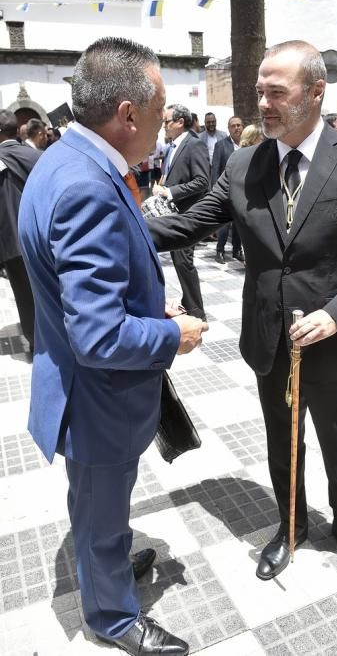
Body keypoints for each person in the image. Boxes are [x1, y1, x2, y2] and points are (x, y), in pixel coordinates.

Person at [146, 40, 337, 586]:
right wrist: (113, 218)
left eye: (276, 92)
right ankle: (290, 528)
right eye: (260, 91)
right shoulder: (244, 164)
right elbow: (193, 223)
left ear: (316, 92)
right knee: (281, 444)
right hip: (270, 343)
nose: (263, 102)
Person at [18, 37, 207, 656]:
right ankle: (113, 617)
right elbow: (98, 335)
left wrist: (149, 304)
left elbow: (86, 292)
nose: (163, 122)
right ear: (128, 113)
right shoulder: (86, 186)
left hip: (83, 388)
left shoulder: (63, 158)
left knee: (98, 505)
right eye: (158, 110)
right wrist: (169, 334)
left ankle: (110, 571)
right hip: (97, 398)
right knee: (99, 511)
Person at [154, 103, 210, 318]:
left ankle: (197, 312)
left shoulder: (194, 144)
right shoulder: (172, 146)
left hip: (187, 213)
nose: (163, 126)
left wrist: (169, 192)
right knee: (179, 260)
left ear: (180, 122)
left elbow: (202, 181)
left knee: (184, 261)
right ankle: (189, 302)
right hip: (174, 213)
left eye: (166, 122)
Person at [0, 109, 41, 351]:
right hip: (40, 237)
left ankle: (38, 345)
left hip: (11, 243)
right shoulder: (35, 156)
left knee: (25, 297)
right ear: (18, 131)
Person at [212, 115, 244, 264]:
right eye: (233, 126)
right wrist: (215, 191)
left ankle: (237, 250)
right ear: (228, 129)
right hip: (225, 191)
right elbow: (215, 169)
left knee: (239, 224)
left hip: (243, 192)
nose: (237, 128)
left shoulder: (246, 145)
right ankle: (220, 251)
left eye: (239, 125)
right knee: (224, 224)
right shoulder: (221, 145)